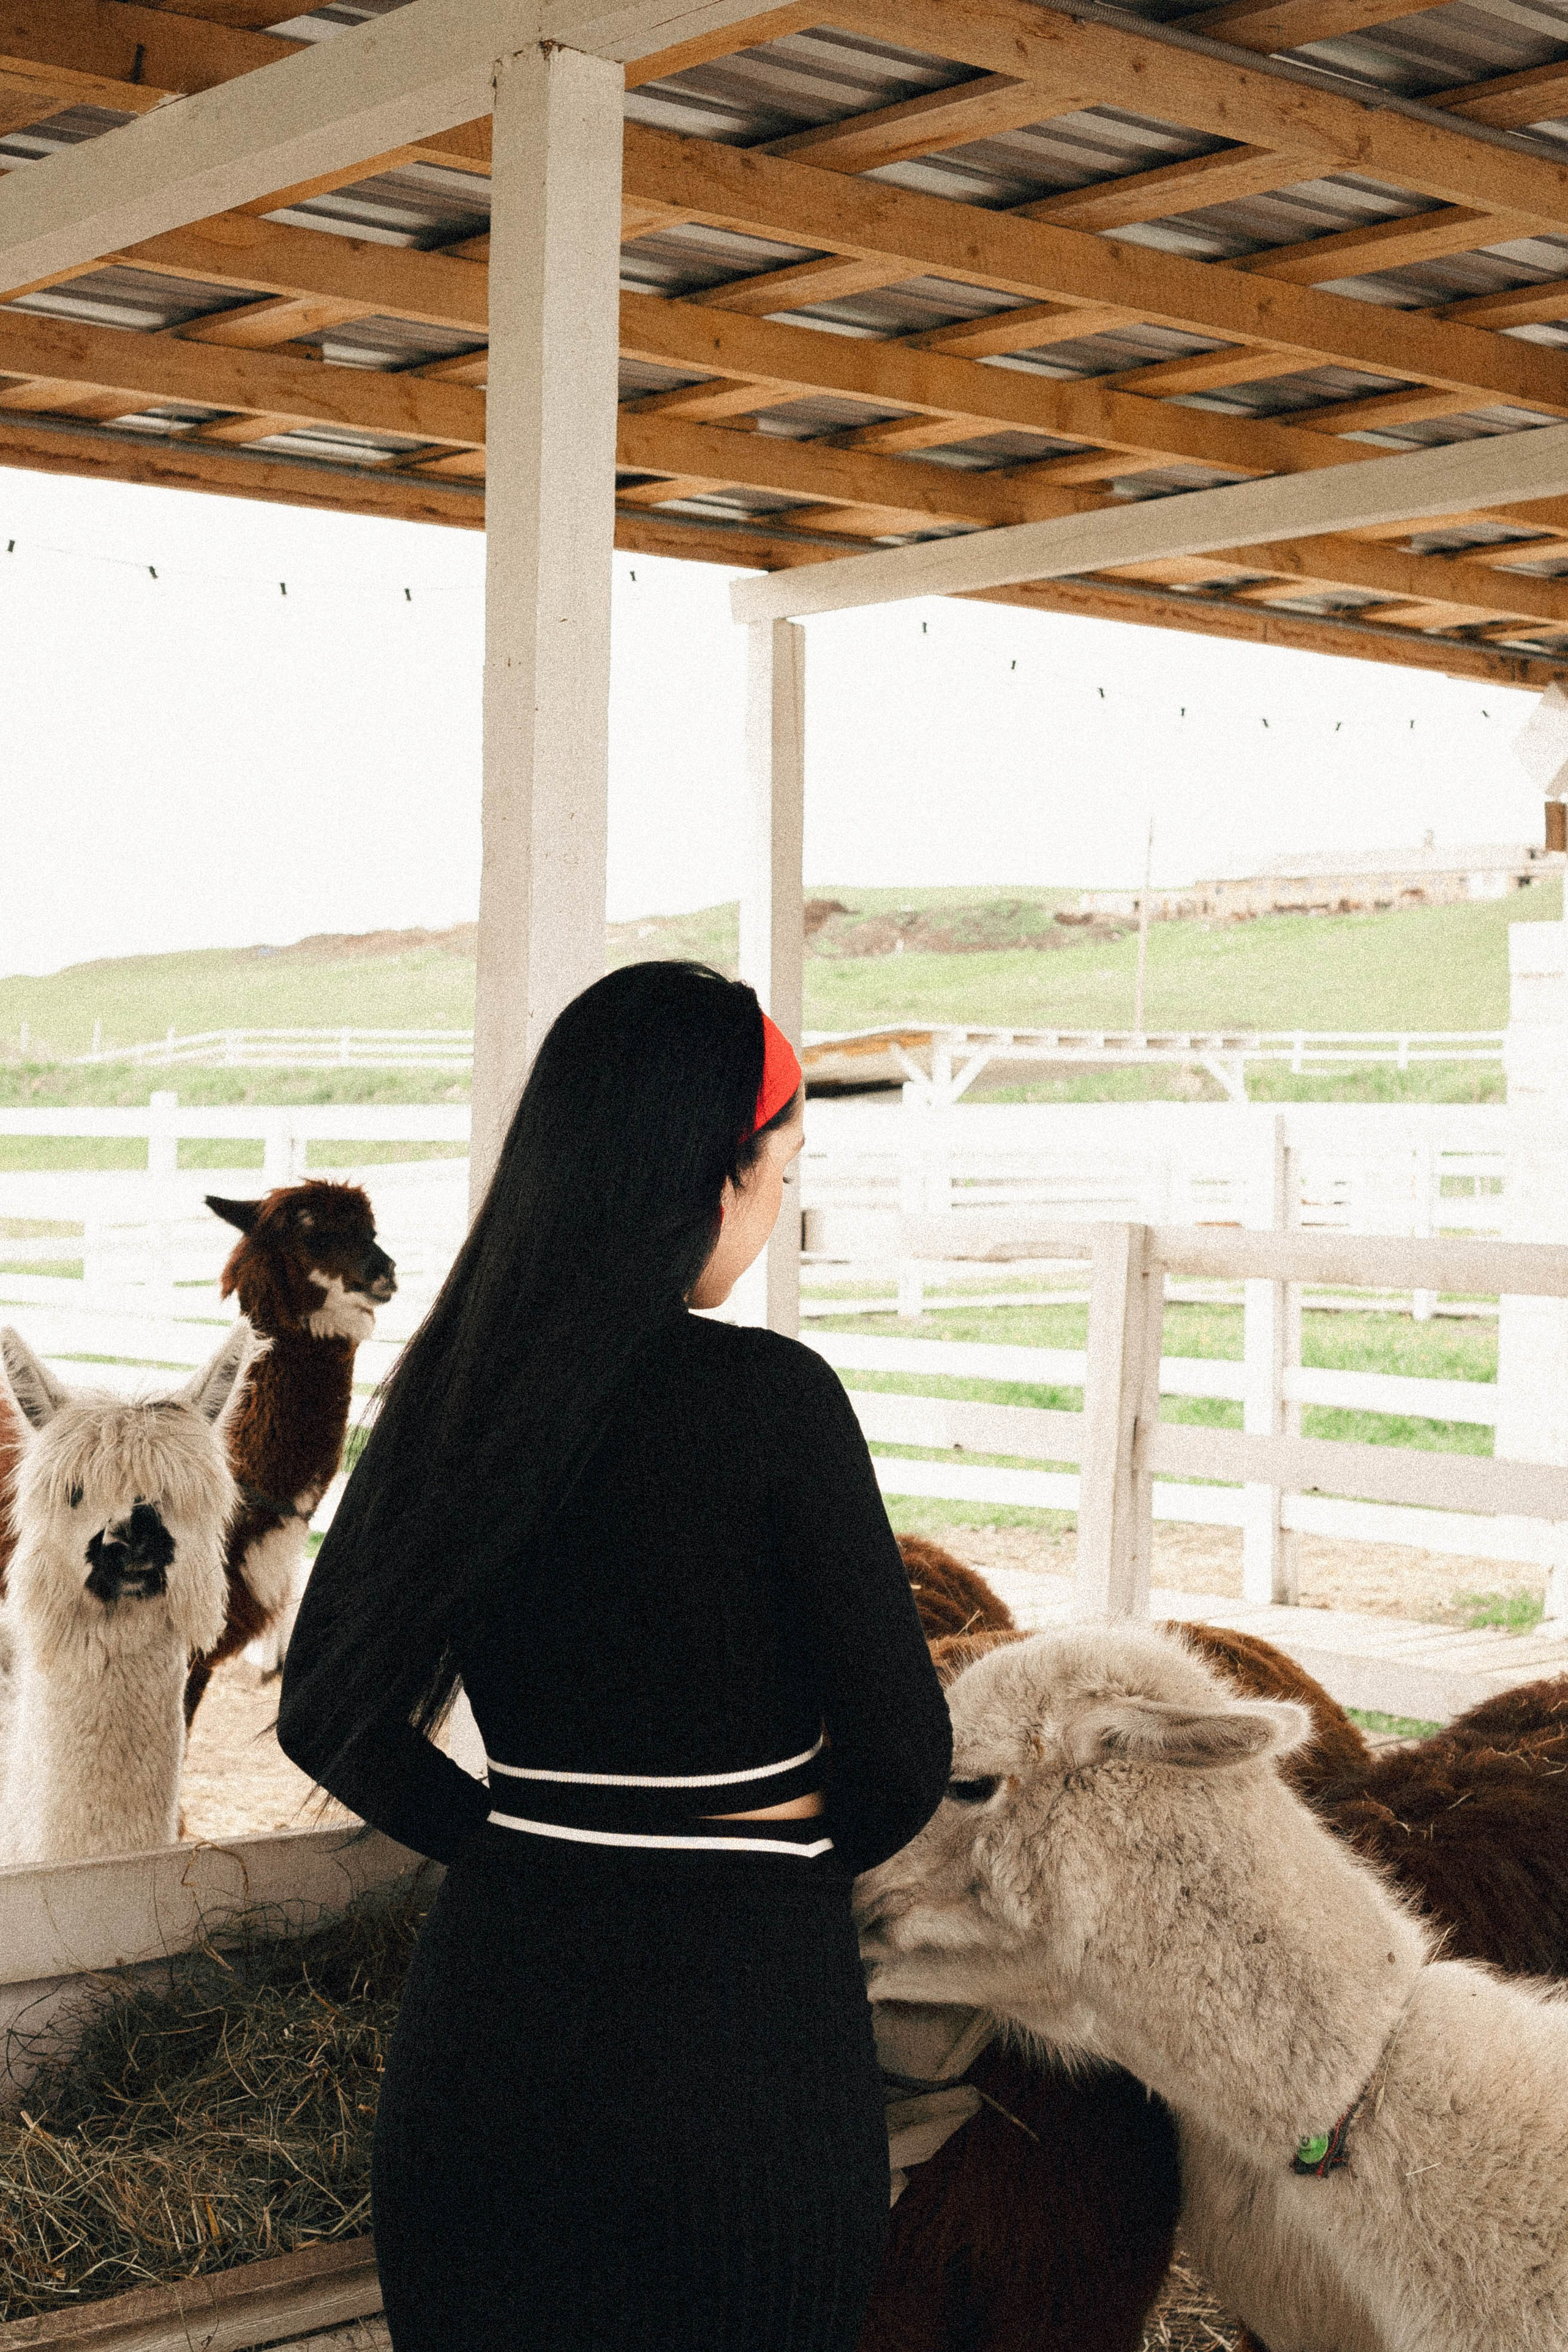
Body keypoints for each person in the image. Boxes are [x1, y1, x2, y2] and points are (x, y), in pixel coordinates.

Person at [277, 960, 953, 2352]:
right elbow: (902, 1759)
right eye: (778, 1170)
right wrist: (754, 1861)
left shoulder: (456, 1388)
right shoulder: (773, 1400)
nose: (773, 1207)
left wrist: (521, 1839)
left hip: (489, 2024)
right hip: (738, 2046)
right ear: (713, 1176)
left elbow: (323, 1710)